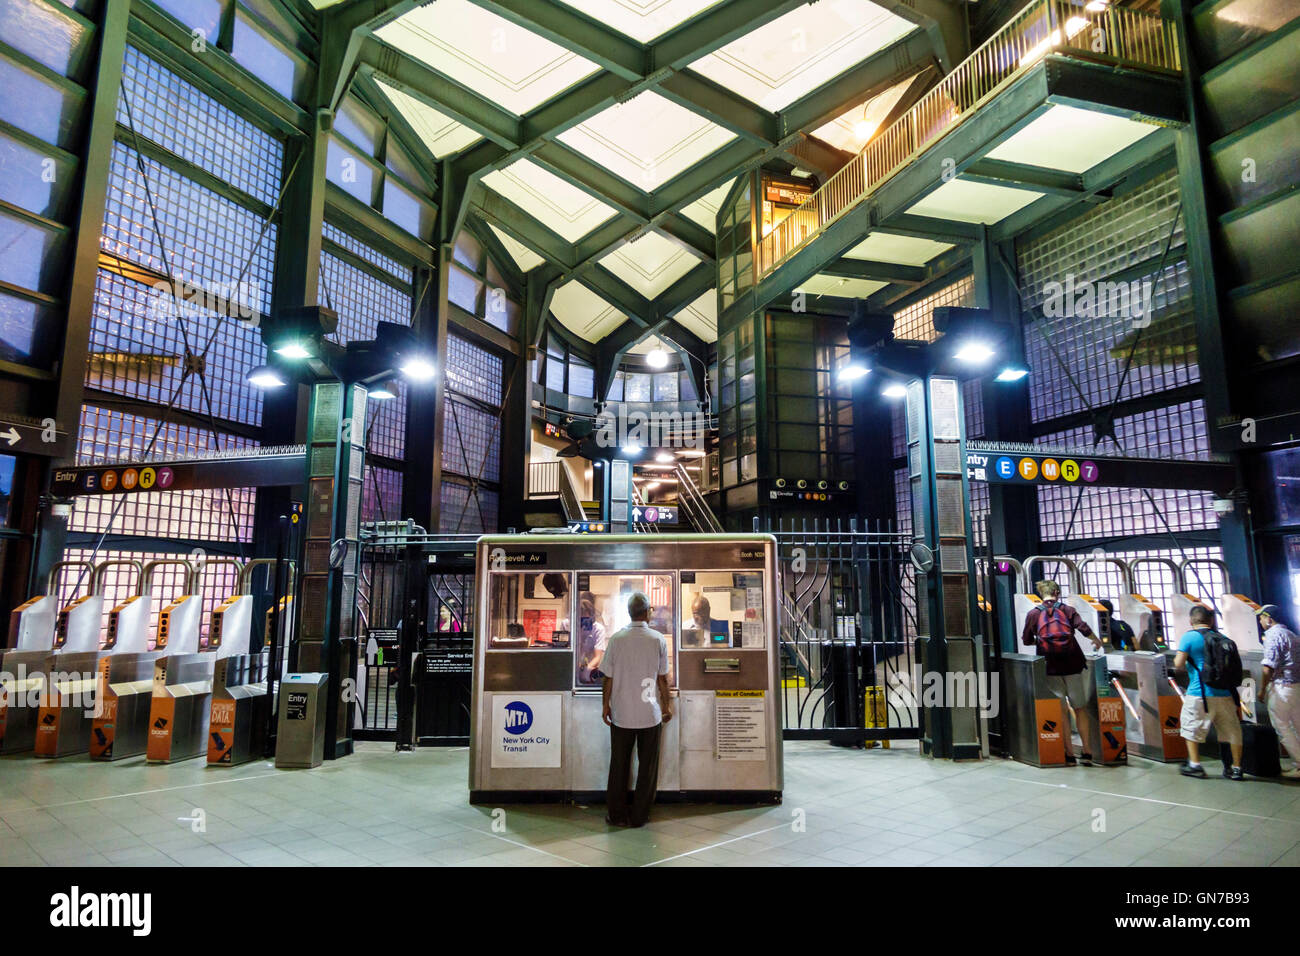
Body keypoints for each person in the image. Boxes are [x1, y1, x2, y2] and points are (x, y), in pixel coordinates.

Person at [601, 591, 672, 828]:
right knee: (647, 768)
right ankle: (640, 816)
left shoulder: (616, 639)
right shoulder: (657, 639)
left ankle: (616, 815)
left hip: (621, 715)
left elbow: (607, 678)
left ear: (630, 613)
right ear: (647, 612)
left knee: (619, 766)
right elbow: (663, 678)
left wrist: (605, 706)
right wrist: (667, 706)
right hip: (649, 716)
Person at [1020, 580, 1104, 766]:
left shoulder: (1033, 614)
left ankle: (1069, 754)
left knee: (1062, 711)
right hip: (1073, 663)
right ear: (1057, 592)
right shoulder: (1067, 611)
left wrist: (1041, 642)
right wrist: (1097, 641)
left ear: (1042, 594)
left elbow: (1026, 640)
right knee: (1080, 708)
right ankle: (1087, 751)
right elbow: (1083, 628)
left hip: (1050, 666)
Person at [1174, 604, 1244, 779]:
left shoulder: (1189, 637)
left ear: (1191, 620)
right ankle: (1235, 768)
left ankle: (1195, 765)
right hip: (1225, 693)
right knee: (1232, 731)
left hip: (1199, 693)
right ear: (1211, 620)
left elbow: (1178, 663)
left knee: (1192, 728)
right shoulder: (1222, 637)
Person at [1257, 604, 1300, 778]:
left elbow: (1268, 667)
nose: (1260, 621)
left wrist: (1262, 690)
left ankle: (1299, 764)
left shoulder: (1273, 636)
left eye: (1261, 617)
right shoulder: (1292, 635)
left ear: (1269, 618)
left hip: (1282, 688)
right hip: (1296, 687)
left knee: (1282, 727)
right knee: (1298, 725)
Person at [577, 592, 607, 685]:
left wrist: (586, 670)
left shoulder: (598, 629)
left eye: (586, 619)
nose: (584, 623)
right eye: (581, 619)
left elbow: (598, 656)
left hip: (589, 670)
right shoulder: (568, 624)